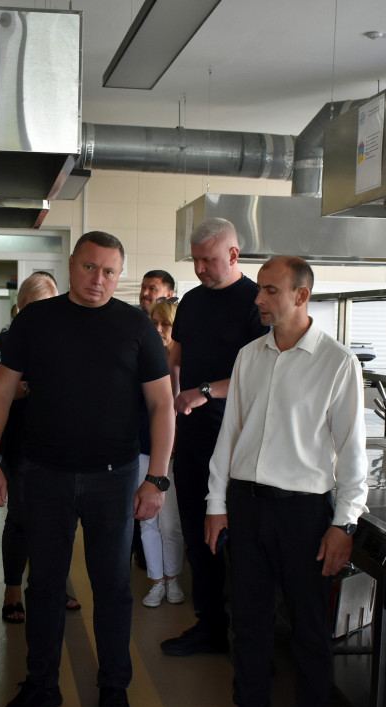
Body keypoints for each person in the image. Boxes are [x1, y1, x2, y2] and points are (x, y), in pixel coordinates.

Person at [0, 231, 175, 707]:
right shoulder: (37, 321)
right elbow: (0, 388)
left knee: (112, 588)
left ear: (119, 274)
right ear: (71, 265)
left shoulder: (136, 325)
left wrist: (156, 478)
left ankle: (114, 688)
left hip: (114, 479)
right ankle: (41, 683)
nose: (98, 280)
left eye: (109, 271)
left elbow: (162, 405)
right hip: (45, 474)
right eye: (90, 267)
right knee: (44, 586)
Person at [201, 256, 368, 707]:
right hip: (247, 506)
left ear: (301, 296)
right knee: (248, 622)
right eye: (260, 290)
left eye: (270, 290)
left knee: (309, 631)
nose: (259, 299)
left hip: (303, 513)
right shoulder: (250, 356)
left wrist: (344, 523)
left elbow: (352, 450)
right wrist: (216, 503)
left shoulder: (337, 362)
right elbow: (230, 434)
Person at [160, 218, 266, 657]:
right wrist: (172, 401)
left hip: (239, 440)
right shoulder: (191, 302)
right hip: (193, 437)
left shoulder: (256, 302)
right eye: (196, 260)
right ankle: (210, 626)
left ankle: (249, 639)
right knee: (195, 533)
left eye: (208, 259)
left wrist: (204, 392)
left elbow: (262, 373)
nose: (200, 268)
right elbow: (177, 357)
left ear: (234, 255)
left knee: (238, 544)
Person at [0, 272, 59, 624]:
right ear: (21, 307)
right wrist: (31, 388)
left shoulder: (60, 340)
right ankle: (13, 590)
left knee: (57, 522)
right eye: (36, 308)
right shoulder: (4, 343)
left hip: (54, 444)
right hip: (16, 445)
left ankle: (55, 587)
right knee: (21, 518)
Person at [138, 298, 185, 607]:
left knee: (170, 523)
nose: (158, 329)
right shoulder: (141, 359)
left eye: (165, 324)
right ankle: (156, 581)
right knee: (147, 519)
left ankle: (173, 578)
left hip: (175, 454)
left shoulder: (183, 363)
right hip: (143, 448)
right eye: (153, 323)